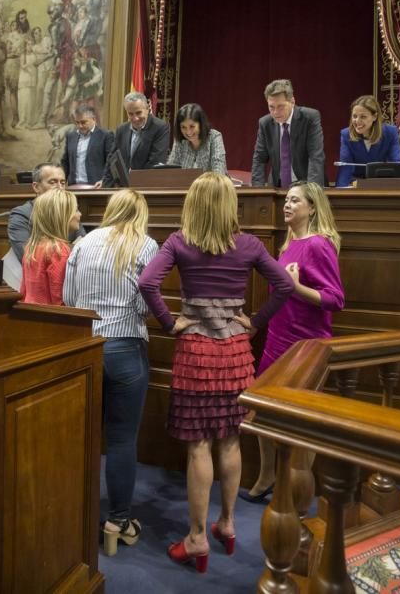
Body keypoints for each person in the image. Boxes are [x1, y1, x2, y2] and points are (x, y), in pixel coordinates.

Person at [138, 172, 295, 572]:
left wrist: (169, 322)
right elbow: (284, 286)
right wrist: (255, 322)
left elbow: (147, 283)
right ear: (230, 206)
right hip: (236, 356)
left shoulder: (179, 241)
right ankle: (226, 524)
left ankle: (195, 538)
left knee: (198, 447)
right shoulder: (249, 245)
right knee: (229, 442)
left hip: (195, 355)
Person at [63, 189, 158, 556]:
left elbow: (69, 299)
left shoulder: (84, 242)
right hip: (125, 347)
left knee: (83, 437)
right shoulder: (145, 244)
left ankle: (74, 515)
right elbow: (144, 302)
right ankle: (118, 521)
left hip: (84, 347)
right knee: (120, 440)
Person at [241, 181, 344, 501]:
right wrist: (258, 324)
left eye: (295, 200)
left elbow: (335, 298)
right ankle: (268, 475)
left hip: (305, 344)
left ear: (312, 208)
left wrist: (298, 289)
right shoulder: (287, 246)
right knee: (261, 411)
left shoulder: (319, 245)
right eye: (286, 199)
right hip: (277, 339)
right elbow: (280, 296)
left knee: (302, 423)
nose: (286, 204)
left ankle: (297, 491)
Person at [251, 79, 325, 188]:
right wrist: (257, 192)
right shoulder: (265, 123)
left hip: (306, 185)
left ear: (292, 102)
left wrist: (312, 193)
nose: (275, 112)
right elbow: (259, 159)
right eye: (271, 107)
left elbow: (316, 156)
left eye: (280, 106)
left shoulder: (309, 118)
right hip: (277, 187)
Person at [8, 162, 85, 263]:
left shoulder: (69, 212)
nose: (60, 187)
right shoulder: (22, 215)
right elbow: (28, 256)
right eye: (53, 182)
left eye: (62, 183)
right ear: (36, 187)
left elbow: (83, 248)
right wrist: (67, 251)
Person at [20, 189, 81, 305]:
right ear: (62, 215)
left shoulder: (32, 246)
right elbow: (59, 297)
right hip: (50, 319)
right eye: (76, 209)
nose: (80, 214)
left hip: (29, 314)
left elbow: (23, 291)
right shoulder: (58, 250)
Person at [101, 92, 169, 187]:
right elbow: (111, 161)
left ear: (147, 108)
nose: (135, 118)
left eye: (138, 113)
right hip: (123, 189)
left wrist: (133, 185)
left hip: (147, 187)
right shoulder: (121, 130)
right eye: (130, 114)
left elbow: (155, 162)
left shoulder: (159, 127)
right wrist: (105, 189)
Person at [335, 95, 400, 187]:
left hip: (383, 185)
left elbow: (396, 165)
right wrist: (341, 194)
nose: (357, 121)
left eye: (363, 117)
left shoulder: (390, 133)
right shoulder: (346, 134)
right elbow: (345, 169)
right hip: (356, 186)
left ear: (374, 117)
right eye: (354, 116)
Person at [61, 104, 114, 186]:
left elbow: (111, 162)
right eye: (77, 122)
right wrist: (62, 181)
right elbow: (65, 162)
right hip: (73, 186)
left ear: (94, 119)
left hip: (97, 186)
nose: (80, 126)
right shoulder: (71, 136)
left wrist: (104, 181)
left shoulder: (105, 136)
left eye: (83, 122)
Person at [167, 103, 227, 173]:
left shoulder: (214, 137)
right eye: (183, 127)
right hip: (185, 183)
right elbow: (172, 168)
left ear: (201, 124)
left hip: (213, 183)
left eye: (192, 126)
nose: (188, 132)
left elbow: (218, 171)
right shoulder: (180, 140)